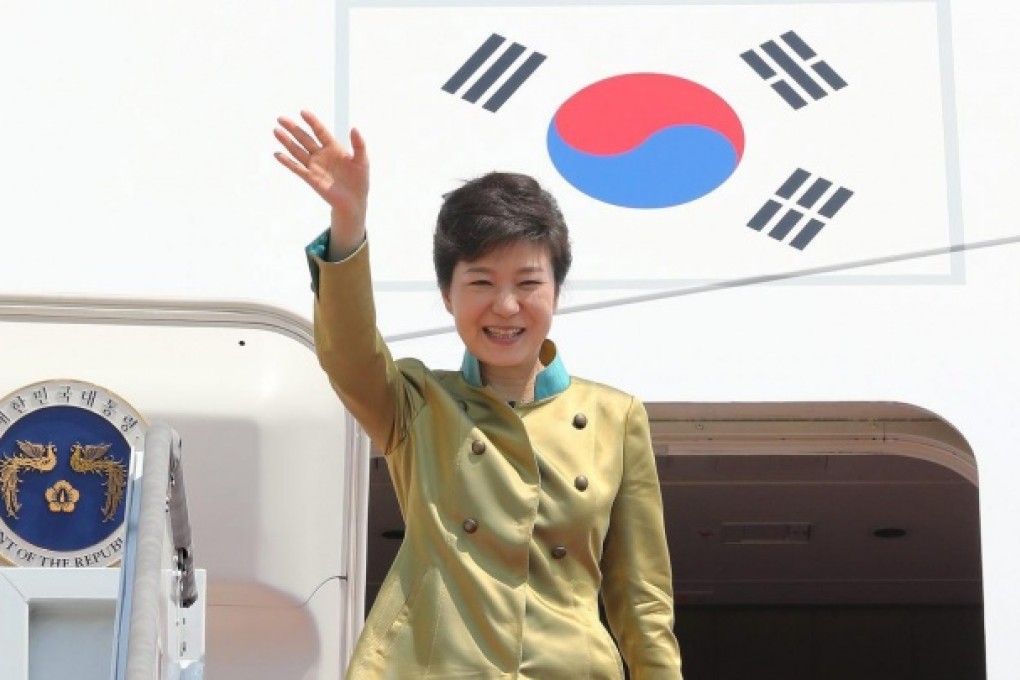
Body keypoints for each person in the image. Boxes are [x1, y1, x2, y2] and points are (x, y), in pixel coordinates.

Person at [274, 110, 682, 679]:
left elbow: (642, 603)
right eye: (482, 283)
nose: (507, 307)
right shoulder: (417, 401)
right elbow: (347, 353)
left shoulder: (616, 418)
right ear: (448, 295)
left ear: (557, 291)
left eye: (528, 283)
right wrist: (349, 220)